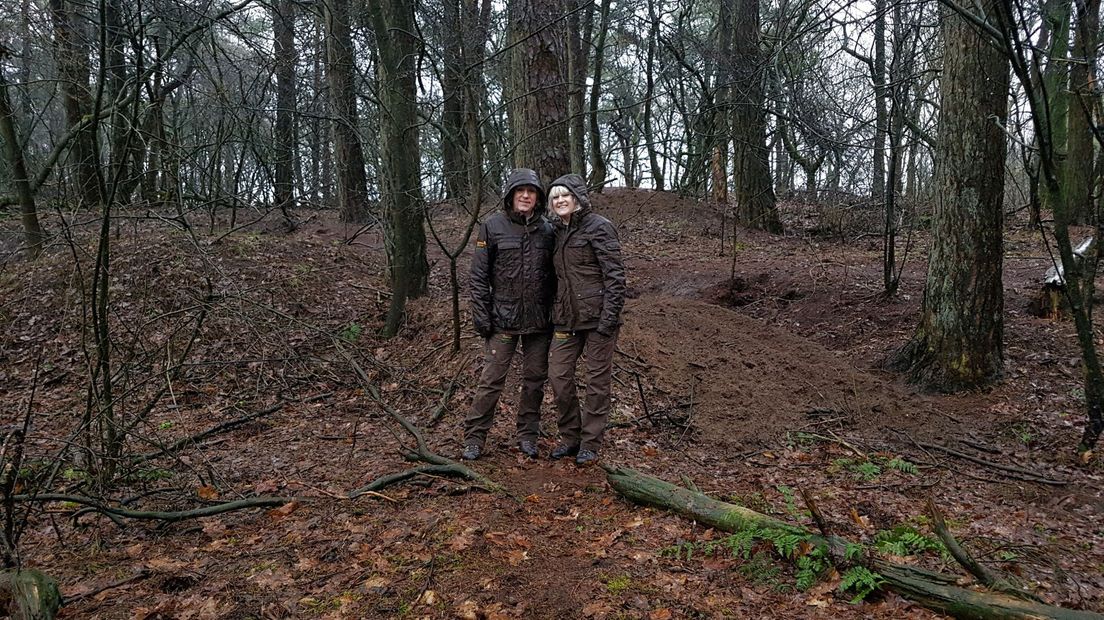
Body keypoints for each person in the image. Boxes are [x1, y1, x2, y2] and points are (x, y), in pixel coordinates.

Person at [463, 168, 556, 460]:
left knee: (535, 380)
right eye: (520, 191)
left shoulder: (549, 230)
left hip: (539, 321)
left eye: (531, 192)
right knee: (491, 379)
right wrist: (483, 316)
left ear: (539, 197)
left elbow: (558, 275)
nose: (526, 196)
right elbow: (478, 277)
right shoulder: (492, 227)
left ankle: (528, 434)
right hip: (502, 319)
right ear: (510, 195)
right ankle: (475, 438)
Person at [546, 174, 626, 466]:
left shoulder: (599, 227)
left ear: (577, 197)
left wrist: (608, 319)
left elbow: (615, 277)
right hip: (567, 319)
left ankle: (590, 442)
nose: (560, 201)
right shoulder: (556, 232)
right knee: (558, 375)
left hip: (598, 318)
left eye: (564, 195)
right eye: (555, 197)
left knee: (596, 382)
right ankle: (570, 436)